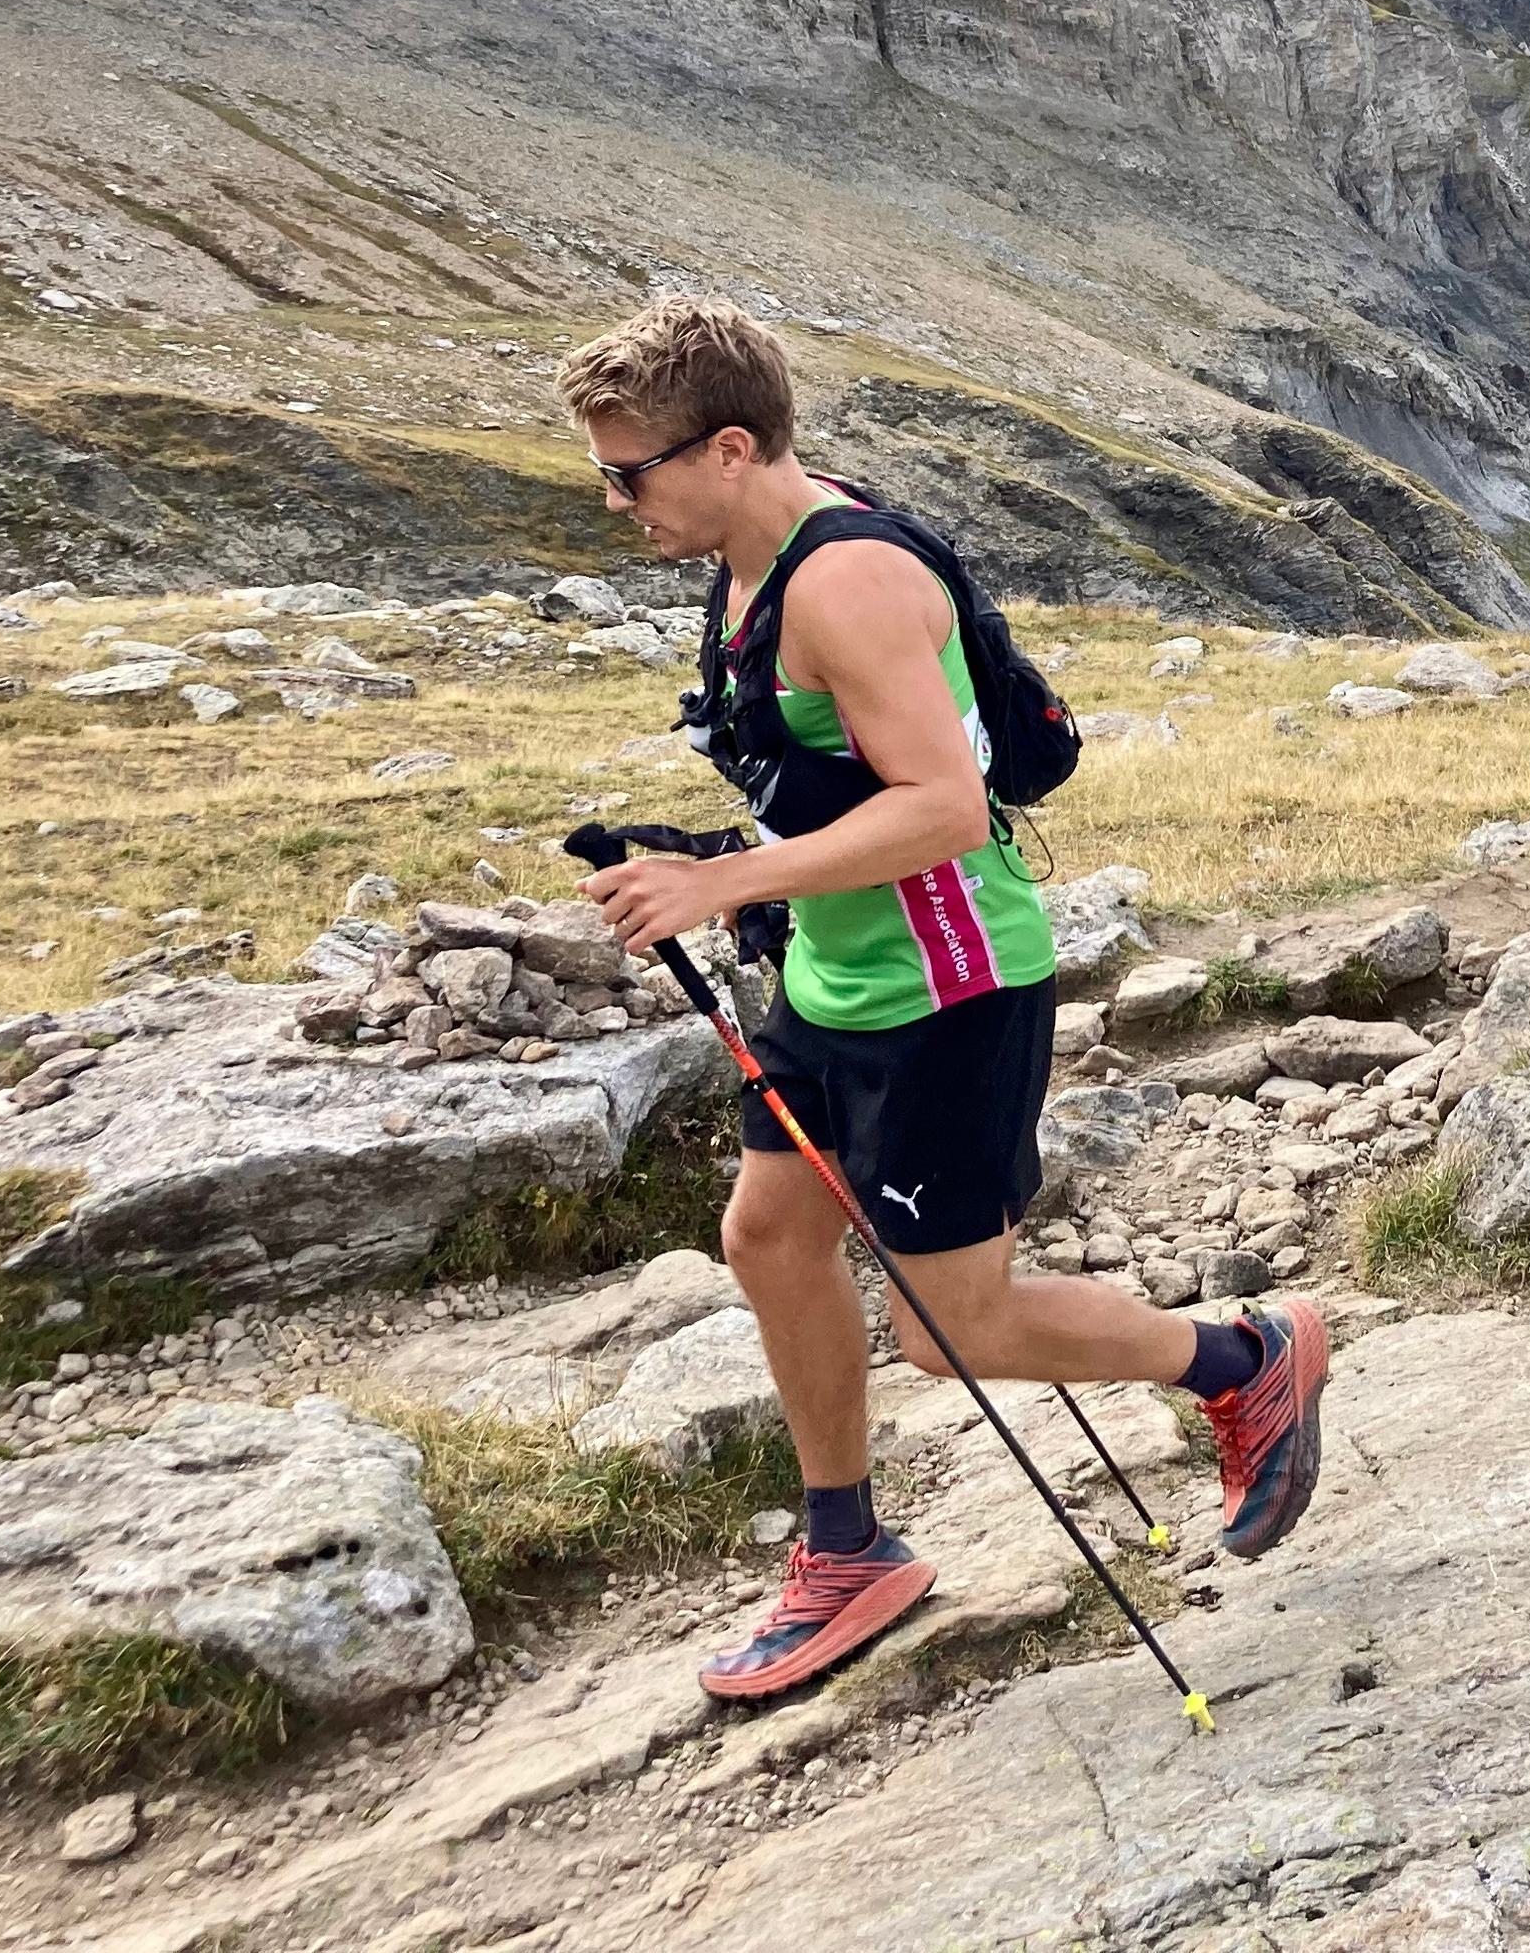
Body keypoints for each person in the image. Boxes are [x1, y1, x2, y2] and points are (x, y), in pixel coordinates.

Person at [554, 297, 1328, 1700]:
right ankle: (846, 1551)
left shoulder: (841, 581)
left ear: (730, 447)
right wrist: (741, 877)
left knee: (950, 1325)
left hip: (948, 991)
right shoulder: (751, 550)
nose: (618, 501)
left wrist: (721, 883)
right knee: (770, 1237)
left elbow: (948, 810)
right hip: (832, 976)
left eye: (631, 472)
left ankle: (1244, 1359)